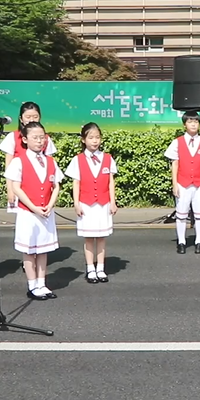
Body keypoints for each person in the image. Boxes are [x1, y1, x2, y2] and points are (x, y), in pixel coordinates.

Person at [6, 122, 63, 301]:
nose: (39, 141)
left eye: (42, 137)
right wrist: (33, 207)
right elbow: (16, 187)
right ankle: (32, 285)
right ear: (25, 139)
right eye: (35, 138)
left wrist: (50, 205)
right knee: (29, 250)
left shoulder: (50, 161)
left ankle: (42, 282)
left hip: (45, 211)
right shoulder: (19, 161)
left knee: (43, 249)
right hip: (28, 212)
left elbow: (56, 186)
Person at [65, 122, 117, 284]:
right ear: (83, 140)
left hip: (103, 203)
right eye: (91, 137)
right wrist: (76, 203)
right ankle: (90, 268)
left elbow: (110, 182)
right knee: (89, 238)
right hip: (86, 203)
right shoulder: (78, 160)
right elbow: (76, 183)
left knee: (101, 237)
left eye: (97, 137)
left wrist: (113, 202)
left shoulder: (107, 158)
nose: (95, 141)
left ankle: (101, 268)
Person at [164, 111, 200, 254]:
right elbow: (174, 164)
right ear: (184, 124)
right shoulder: (177, 142)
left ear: (199, 124)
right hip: (183, 182)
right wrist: (175, 184)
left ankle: (199, 241)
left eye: (196, 121)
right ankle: (181, 241)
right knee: (181, 214)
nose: (193, 124)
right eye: (190, 121)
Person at [0, 102, 56, 213]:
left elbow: (50, 167)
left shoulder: (45, 139)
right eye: (28, 117)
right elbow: (8, 166)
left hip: (40, 188)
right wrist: (10, 189)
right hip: (19, 187)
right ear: (21, 119)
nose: (32, 120)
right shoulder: (13, 137)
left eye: (35, 117)